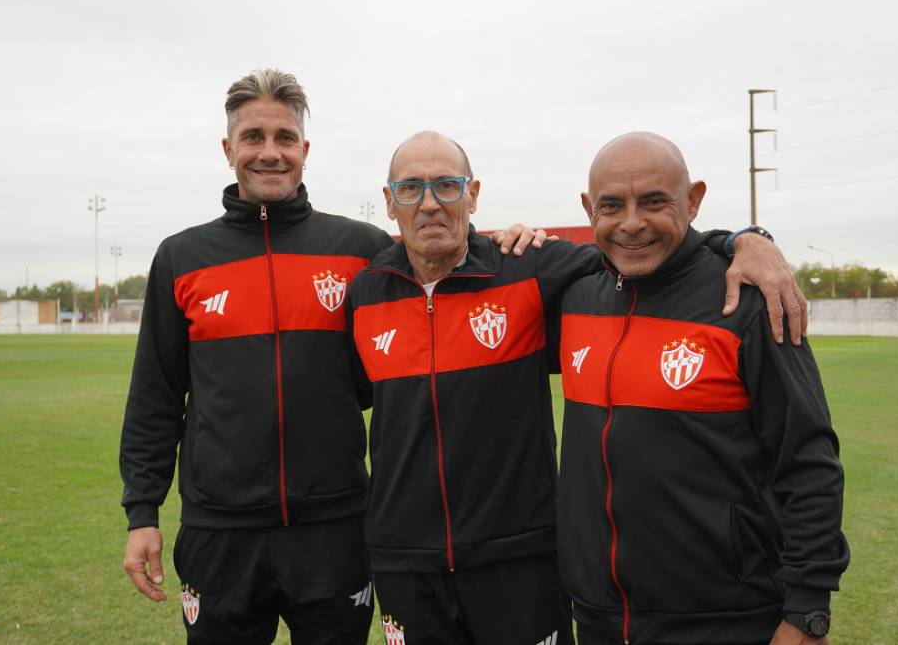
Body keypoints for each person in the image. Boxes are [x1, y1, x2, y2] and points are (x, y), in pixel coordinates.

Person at [117, 70, 542, 644]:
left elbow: (444, 255)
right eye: (253, 137)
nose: (270, 152)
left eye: (285, 138)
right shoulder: (182, 258)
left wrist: (511, 240)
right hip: (220, 529)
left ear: (305, 150)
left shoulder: (360, 249)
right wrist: (143, 510)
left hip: (336, 527)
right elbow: (156, 395)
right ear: (228, 150)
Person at [346, 131, 803, 643]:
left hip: (520, 559)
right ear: (389, 203)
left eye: (447, 186)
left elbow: (646, 246)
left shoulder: (529, 267)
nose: (430, 203)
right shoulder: (364, 293)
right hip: (405, 563)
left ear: (473, 194)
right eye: (410, 189)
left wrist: (743, 239)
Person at [557, 132, 849, 645]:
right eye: (611, 205)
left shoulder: (748, 302)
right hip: (599, 618)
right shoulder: (577, 296)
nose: (631, 222)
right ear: (588, 209)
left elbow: (808, 459)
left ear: (693, 200)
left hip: (725, 619)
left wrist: (808, 607)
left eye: (654, 201)